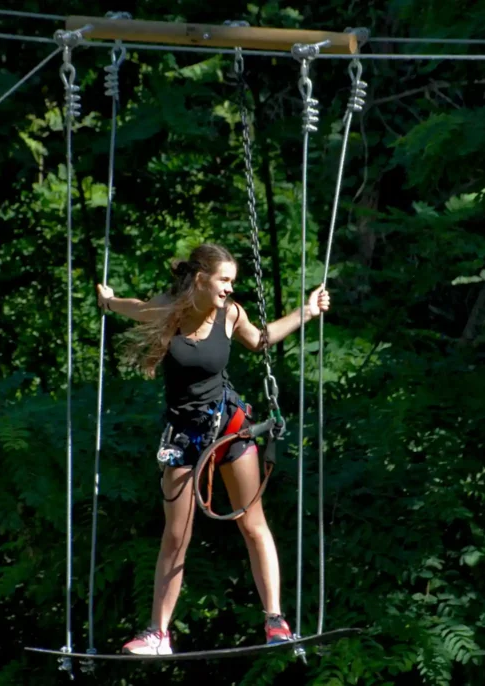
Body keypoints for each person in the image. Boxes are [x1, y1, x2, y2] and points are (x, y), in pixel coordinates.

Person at [95, 242, 331, 656]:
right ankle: (158, 634)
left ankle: (275, 620)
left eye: (233, 282)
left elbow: (261, 340)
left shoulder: (230, 313)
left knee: (251, 522)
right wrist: (110, 302)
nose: (229, 289)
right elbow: (135, 307)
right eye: (224, 280)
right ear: (201, 279)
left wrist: (307, 311)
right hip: (185, 436)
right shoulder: (170, 310)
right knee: (176, 535)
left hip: (230, 428)